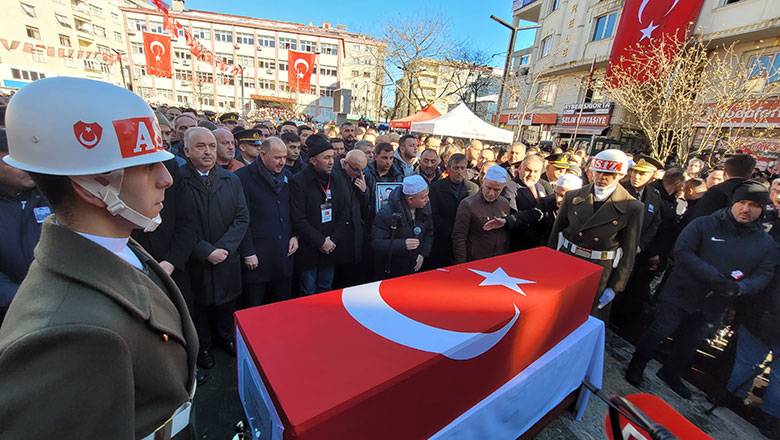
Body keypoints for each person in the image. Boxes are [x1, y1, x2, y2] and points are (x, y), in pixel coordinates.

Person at [0, 77, 197, 439]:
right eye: (147, 166)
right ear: (90, 185)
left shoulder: (119, 244)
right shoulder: (65, 335)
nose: (166, 179)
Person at [626, 181, 775, 399]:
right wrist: (715, 279)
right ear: (733, 203)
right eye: (741, 202)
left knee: (691, 341)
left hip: (717, 301)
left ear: (762, 209)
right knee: (659, 331)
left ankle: (670, 373)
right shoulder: (705, 224)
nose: (746, 209)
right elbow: (683, 251)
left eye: (753, 205)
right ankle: (636, 366)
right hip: (682, 291)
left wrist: (740, 288)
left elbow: (764, 273)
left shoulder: (764, 242)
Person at [179, 127, 249, 368]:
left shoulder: (231, 180)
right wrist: (205, 251)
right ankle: (204, 348)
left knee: (226, 303)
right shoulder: (178, 181)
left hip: (226, 257)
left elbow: (242, 218)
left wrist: (224, 248)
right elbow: (177, 224)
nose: (208, 151)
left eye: (211, 146)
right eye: (201, 146)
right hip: (195, 260)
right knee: (199, 308)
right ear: (187, 150)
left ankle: (227, 338)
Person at [549, 149, 644, 321]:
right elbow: (556, 232)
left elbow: (628, 252)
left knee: (584, 318)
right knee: (555, 311)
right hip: (567, 258)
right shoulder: (573, 196)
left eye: (609, 174)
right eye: (598, 171)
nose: (601, 177)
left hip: (598, 268)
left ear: (620, 175)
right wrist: (549, 261)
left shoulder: (632, 207)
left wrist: (615, 286)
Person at [236, 137, 297, 307]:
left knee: (281, 306)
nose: (282, 162)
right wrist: (248, 251)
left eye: (284, 157)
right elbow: (241, 217)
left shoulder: (288, 177)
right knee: (254, 306)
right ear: (262, 155)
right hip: (257, 257)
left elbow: (293, 210)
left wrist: (295, 235)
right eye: (277, 158)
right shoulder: (242, 178)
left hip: (283, 255)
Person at [290, 135, 353, 294]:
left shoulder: (337, 178)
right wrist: (320, 241)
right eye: (326, 158)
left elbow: (345, 211)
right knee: (308, 290)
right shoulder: (299, 181)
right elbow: (299, 218)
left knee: (325, 288)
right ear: (313, 160)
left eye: (332, 157)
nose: (331, 161)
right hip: (309, 247)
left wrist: (333, 240)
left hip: (331, 245)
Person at [0, 129, 50, 324]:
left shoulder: (53, 195)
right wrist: (25, 299)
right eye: (14, 162)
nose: (26, 167)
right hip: (13, 319)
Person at [372, 175, 434, 278]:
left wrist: (423, 254)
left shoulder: (425, 207)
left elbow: (429, 232)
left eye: (427, 195)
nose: (427, 200)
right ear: (410, 199)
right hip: (392, 270)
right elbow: (377, 243)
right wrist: (402, 244)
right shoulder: (386, 213)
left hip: (414, 267)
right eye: (423, 197)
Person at [428, 153, 479, 269]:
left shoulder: (473, 188)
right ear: (448, 168)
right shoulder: (436, 188)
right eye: (456, 168)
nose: (459, 171)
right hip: (442, 241)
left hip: (465, 241)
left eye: (462, 168)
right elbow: (433, 214)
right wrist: (450, 232)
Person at [452, 166, 512, 263]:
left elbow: (505, 234)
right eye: (488, 188)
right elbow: (459, 237)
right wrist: (461, 265)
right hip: (475, 260)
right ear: (483, 182)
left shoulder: (504, 203)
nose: (491, 193)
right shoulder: (468, 204)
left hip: (498, 259)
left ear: (503, 187)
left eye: (497, 190)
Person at [685, 154, 756, 224]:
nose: (715, 182)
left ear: (725, 172)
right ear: (752, 172)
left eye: (719, 179)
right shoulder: (756, 194)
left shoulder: (715, 191)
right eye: (713, 178)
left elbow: (698, 220)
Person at [622, 155, 665, 252]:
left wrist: (641, 245)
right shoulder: (620, 189)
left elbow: (655, 223)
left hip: (636, 250)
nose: (636, 176)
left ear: (652, 177)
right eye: (635, 171)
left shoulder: (654, 195)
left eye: (642, 173)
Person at [511, 154, 554, 251]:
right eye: (528, 170)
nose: (531, 175)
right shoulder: (510, 187)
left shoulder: (543, 185)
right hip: (520, 244)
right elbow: (513, 216)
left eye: (536, 171)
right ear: (520, 168)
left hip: (541, 243)